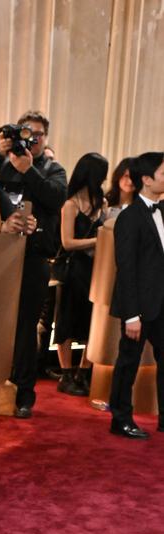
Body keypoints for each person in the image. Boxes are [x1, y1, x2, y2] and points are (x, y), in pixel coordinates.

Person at [0, 111, 67, 417]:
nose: (32, 138)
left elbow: (55, 199)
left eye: (38, 134)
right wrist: (2, 157)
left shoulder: (53, 169)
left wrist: (28, 170)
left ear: (46, 138)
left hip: (36, 257)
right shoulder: (2, 164)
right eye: (27, 132)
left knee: (26, 326)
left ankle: (25, 392)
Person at [107, 151, 164, 439]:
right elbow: (126, 269)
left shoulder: (163, 210)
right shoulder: (129, 218)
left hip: (162, 304)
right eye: (163, 173)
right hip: (139, 306)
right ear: (146, 179)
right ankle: (121, 418)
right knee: (128, 362)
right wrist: (131, 314)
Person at [53, 152, 109, 396]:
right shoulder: (70, 204)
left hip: (95, 270)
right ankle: (66, 374)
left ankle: (83, 373)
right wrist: (95, 241)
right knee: (66, 319)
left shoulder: (102, 204)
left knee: (90, 321)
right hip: (73, 268)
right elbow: (67, 242)